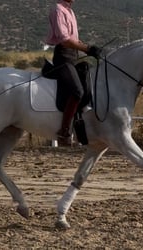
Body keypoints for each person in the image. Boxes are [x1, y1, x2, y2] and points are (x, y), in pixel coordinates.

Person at [46, 0, 101, 146]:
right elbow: (64, 40)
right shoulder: (58, 10)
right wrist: (88, 49)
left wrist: (88, 49)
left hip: (73, 55)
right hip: (63, 57)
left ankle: (82, 125)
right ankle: (64, 132)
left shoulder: (69, 11)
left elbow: (74, 39)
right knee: (77, 91)